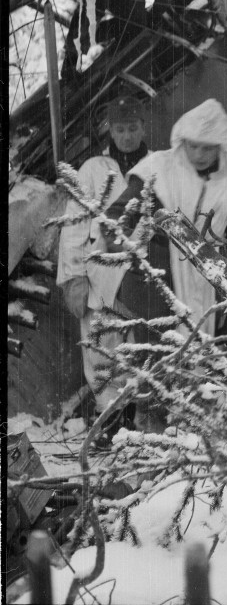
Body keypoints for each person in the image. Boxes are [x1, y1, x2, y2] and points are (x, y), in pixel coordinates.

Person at [104, 98, 227, 338]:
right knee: (156, 363)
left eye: (207, 147)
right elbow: (115, 217)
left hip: (209, 283)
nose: (199, 154)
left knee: (204, 361)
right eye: (193, 146)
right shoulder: (159, 168)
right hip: (156, 288)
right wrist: (128, 253)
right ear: (183, 141)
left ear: (220, 145)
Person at [57, 97, 150, 437]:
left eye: (133, 129)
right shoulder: (93, 169)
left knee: (139, 351)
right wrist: (74, 278)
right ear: (111, 130)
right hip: (98, 277)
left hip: (140, 276)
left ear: (143, 127)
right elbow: (75, 226)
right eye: (120, 130)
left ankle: (137, 428)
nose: (127, 137)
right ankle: (109, 425)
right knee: (101, 354)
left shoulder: (156, 166)